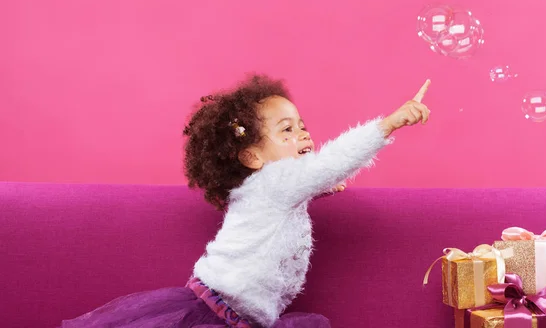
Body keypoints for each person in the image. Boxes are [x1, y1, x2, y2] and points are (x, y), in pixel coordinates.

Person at [61, 74, 431, 328]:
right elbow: (331, 163)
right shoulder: (277, 182)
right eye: (286, 130)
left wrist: (316, 188)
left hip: (232, 311)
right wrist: (389, 124)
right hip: (220, 313)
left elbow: (289, 195)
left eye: (302, 125)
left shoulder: (268, 186)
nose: (302, 133)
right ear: (252, 157)